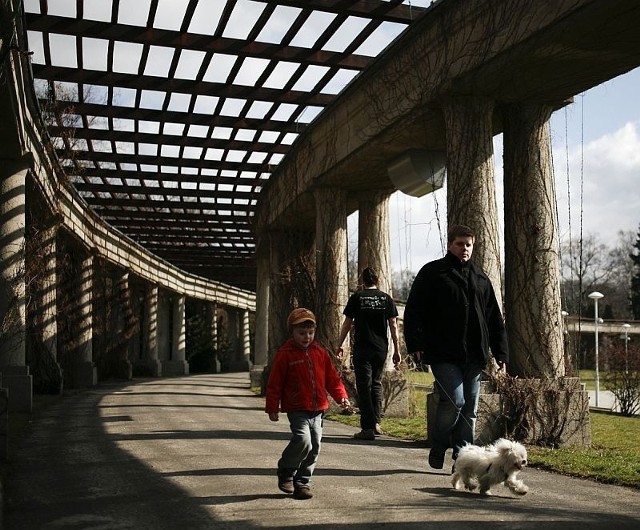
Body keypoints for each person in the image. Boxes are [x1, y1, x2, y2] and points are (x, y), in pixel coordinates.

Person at [403, 224, 508, 470]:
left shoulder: (481, 278)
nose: (464, 249)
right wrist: (416, 343)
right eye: (460, 244)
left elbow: (494, 318)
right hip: (443, 352)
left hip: (474, 354)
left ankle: (462, 460)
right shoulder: (433, 273)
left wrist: (501, 351)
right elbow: (414, 309)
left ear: (473, 247)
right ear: (450, 244)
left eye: (468, 245)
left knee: (470, 410)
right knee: (456, 401)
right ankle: (439, 445)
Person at [265, 307, 351, 500]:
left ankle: (302, 482)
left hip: (319, 408)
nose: (306, 337)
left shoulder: (319, 353)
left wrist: (341, 397)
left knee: (315, 447)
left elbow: (332, 379)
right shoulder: (285, 354)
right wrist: (272, 406)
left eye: (310, 333)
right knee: (303, 440)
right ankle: (286, 471)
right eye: (301, 333)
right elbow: (275, 383)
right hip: (297, 408)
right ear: (292, 332)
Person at [336, 267, 400, 441]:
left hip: (362, 348)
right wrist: (397, 349)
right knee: (376, 384)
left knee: (364, 386)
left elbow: (347, 324)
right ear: (377, 280)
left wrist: (340, 344)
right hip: (381, 348)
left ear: (362, 281)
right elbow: (394, 326)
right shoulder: (386, 299)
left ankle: (367, 428)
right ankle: (376, 423)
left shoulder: (357, 298)